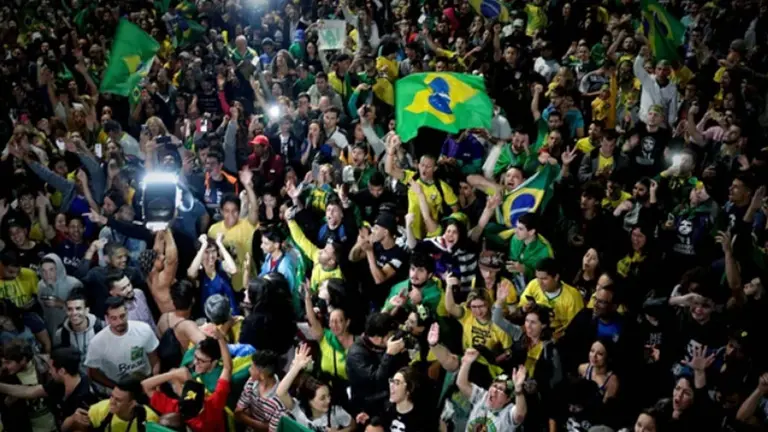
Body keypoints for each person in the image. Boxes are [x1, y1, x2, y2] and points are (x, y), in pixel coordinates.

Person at [142, 331, 232, 432]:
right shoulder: (213, 406)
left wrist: (172, 375)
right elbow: (227, 368)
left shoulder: (175, 408)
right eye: (195, 357)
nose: (195, 362)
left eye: (201, 361)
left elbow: (145, 385)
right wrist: (221, 339)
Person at [0, 347, 99, 431]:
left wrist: (71, 420)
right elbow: (30, 391)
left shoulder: (86, 397)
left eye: (51, 368)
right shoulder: (59, 383)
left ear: (61, 371)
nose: (49, 372)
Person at [84, 296, 160, 389]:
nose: (119, 322)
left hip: (146, 382)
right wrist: (117, 388)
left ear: (127, 312)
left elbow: (154, 359)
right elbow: (93, 373)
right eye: (114, 318)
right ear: (107, 318)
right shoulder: (96, 343)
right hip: (118, 387)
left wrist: (155, 381)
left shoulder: (144, 329)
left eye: (122, 316)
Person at [276, 343, 355, 431]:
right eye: (322, 398)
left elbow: (352, 425)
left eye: (329, 395)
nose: (328, 400)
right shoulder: (298, 410)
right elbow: (280, 392)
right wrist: (296, 367)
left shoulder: (336, 412)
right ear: (309, 400)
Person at [346, 312, 409, 415]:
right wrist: (389, 354)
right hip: (369, 403)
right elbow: (376, 380)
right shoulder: (356, 354)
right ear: (378, 338)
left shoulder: (379, 346)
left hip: (389, 393)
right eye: (390, 335)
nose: (393, 338)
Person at [457, 348, 528, 431]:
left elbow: (520, 415)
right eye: (494, 386)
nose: (494, 390)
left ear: (507, 399)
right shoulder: (482, 397)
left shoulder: (507, 413)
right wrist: (466, 363)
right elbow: (461, 384)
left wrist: (518, 389)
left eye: (500, 389)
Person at [0, 339, 57, 432]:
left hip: (52, 424)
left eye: (8, 362)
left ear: (23, 360)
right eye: (3, 362)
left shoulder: (45, 366)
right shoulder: (5, 377)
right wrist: (7, 403)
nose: (4, 366)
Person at [53, 290, 104, 374]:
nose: (74, 313)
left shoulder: (101, 327)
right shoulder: (61, 334)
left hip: (101, 376)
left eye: (78, 308)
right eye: (70, 309)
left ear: (87, 310)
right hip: (77, 377)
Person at [234, 350, 286, 432]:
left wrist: (245, 417)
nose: (249, 370)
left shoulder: (280, 401)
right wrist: (261, 425)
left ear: (262, 374)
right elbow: (238, 412)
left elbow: (270, 429)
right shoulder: (251, 381)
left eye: (252, 368)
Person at [187, 233, 239, 314]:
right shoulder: (199, 271)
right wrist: (203, 246)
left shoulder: (221, 265)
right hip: (209, 318)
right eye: (206, 252)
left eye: (213, 251)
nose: (211, 256)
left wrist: (220, 243)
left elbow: (233, 270)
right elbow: (191, 274)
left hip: (231, 315)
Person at [86, 379, 160, 431]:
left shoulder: (149, 418)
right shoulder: (97, 410)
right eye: (112, 396)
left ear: (132, 403)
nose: (112, 402)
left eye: (118, 400)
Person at [38, 253, 83, 337]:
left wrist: (61, 304)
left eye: (51, 270)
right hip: (50, 329)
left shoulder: (74, 284)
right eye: (44, 271)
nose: (47, 275)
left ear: (59, 269)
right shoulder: (41, 285)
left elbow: (82, 312)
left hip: (71, 331)